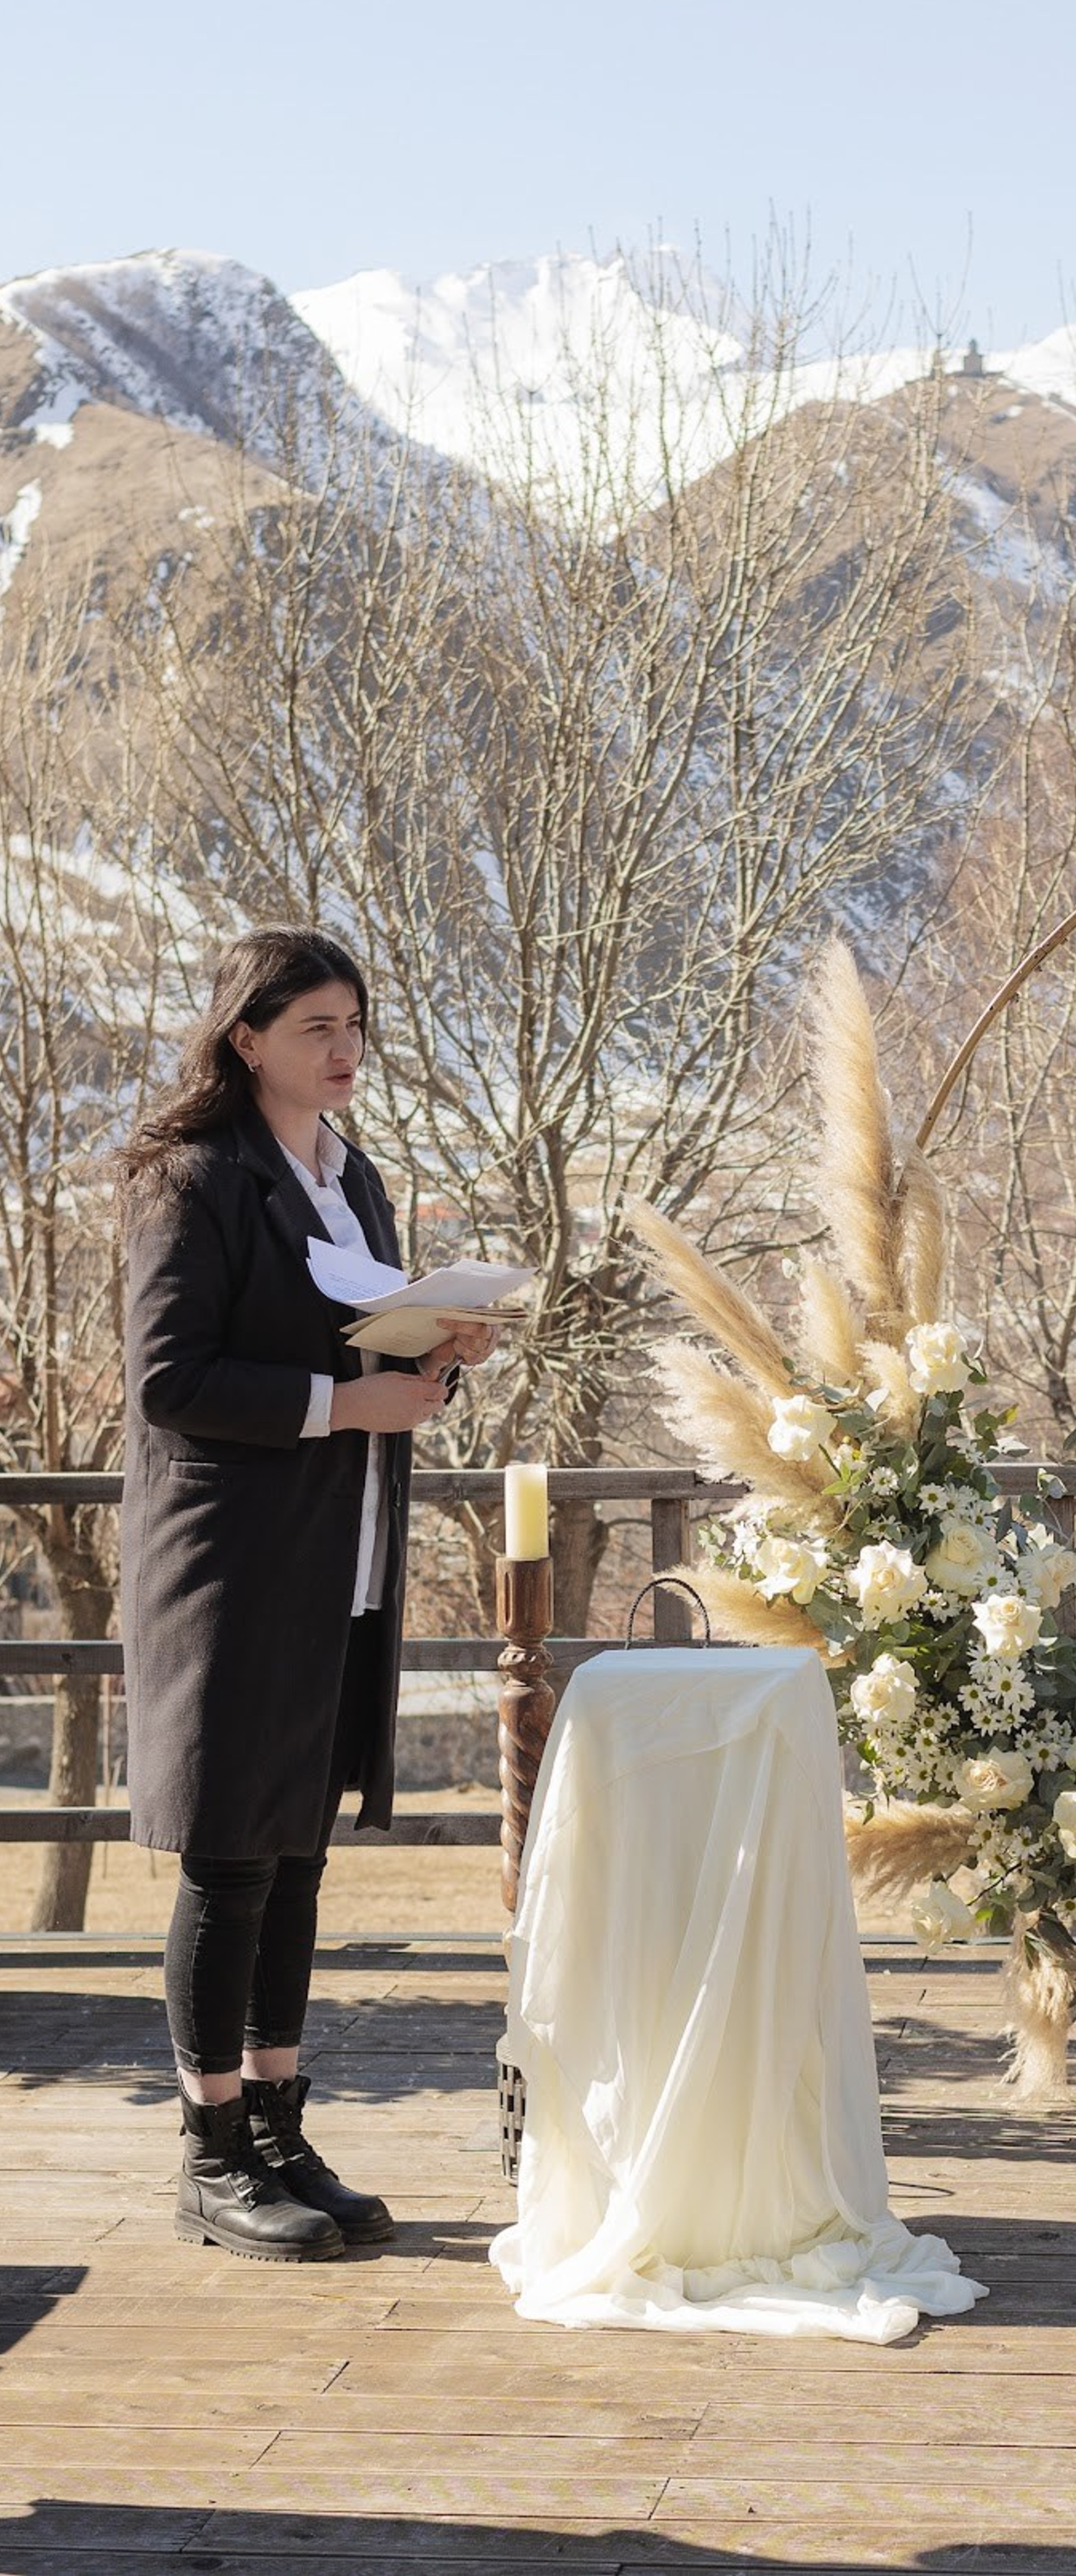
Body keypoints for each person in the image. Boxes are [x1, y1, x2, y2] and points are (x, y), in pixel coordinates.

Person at [119, 928, 492, 2259]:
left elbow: (355, 1342)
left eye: (356, 1025)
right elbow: (173, 1384)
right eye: (318, 1028)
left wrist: (438, 1350)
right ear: (247, 1038)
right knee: (230, 1861)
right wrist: (350, 1401)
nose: (346, 1051)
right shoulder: (193, 1179)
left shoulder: (357, 1176)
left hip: (339, 1551)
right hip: (229, 1560)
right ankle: (209, 2154)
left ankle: (279, 2126)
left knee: (297, 1857)